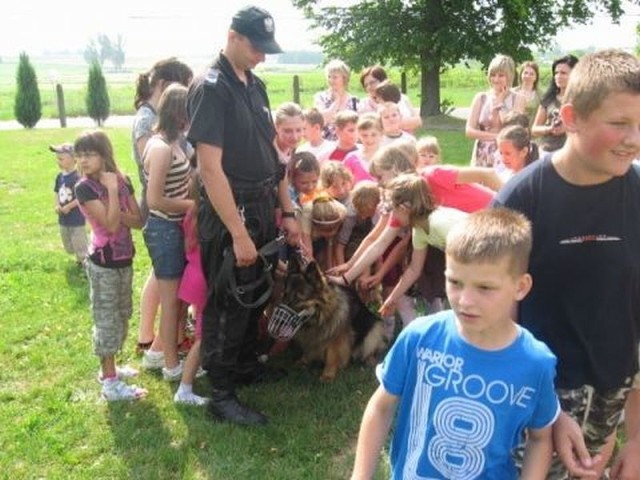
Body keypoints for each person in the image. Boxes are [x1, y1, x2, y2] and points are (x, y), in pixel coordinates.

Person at [493, 49, 640, 479]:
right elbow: (494, 320)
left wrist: (636, 437)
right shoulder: (520, 201)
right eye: (619, 124)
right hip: (534, 398)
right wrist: (549, 411)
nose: (633, 138)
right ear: (571, 117)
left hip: (612, 394)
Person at [351, 208, 560, 479]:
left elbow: (541, 438)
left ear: (520, 286)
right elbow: (381, 406)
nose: (464, 300)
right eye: (455, 282)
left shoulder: (536, 363)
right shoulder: (419, 337)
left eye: (484, 287)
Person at [186, 5, 299, 426]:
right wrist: (237, 232)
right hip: (229, 209)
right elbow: (210, 169)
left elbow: (272, 151)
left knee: (257, 293)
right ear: (233, 36)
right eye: (256, 47)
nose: (262, 57)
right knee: (228, 301)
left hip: (261, 203)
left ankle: (245, 367)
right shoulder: (211, 88)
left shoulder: (255, 85)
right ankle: (221, 393)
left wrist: (286, 210)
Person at [74, 130, 146, 401]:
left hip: (124, 260)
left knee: (123, 314)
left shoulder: (123, 180)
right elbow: (112, 224)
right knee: (106, 320)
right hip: (103, 263)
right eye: (79, 155)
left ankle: (111, 369)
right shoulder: (84, 188)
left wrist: (116, 195)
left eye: (89, 154)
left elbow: (138, 221)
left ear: (104, 155)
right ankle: (110, 382)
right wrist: (113, 192)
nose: (83, 160)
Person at [132, 57, 193, 354]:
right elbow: (155, 199)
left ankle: (161, 352)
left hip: (176, 224)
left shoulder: (175, 142)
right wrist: (194, 205)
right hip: (164, 228)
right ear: (179, 113)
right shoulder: (160, 148)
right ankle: (169, 364)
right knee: (169, 301)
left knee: (178, 298)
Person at [466, 54, 526, 168]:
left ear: (509, 76)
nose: (496, 79)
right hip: (482, 152)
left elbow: (513, 127)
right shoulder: (481, 97)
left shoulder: (518, 98)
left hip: (507, 153)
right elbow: (469, 130)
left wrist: (500, 103)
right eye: (493, 75)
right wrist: (496, 136)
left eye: (501, 75)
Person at [531, 55, 579, 154]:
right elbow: (534, 129)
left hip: (572, 153)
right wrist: (549, 129)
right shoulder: (548, 99)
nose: (558, 76)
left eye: (563, 73)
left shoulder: (581, 100)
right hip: (547, 151)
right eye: (556, 73)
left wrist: (567, 127)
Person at [50, 143, 88, 266]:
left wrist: (69, 206)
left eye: (61, 159)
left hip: (76, 218)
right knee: (68, 245)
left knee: (79, 242)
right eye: (57, 159)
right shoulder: (59, 177)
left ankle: (84, 262)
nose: (58, 161)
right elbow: (56, 192)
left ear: (74, 159)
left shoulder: (78, 177)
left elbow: (81, 197)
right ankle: (80, 257)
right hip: (63, 218)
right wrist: (57, 205)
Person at [358, 65, 422, 133]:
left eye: (372, 82)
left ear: (383, 81)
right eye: (366, 85)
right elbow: (367, 128)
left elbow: (418, 122)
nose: (369, 87)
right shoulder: (364, 104)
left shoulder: (402, 98)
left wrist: (387, 124)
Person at [314, 59, 359, 140]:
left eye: (335, 77)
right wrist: (336, 101)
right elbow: (322, 121)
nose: (331, 80)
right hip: (326, 145)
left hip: (349, 144)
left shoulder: (354, 101)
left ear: (344, 78)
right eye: (329, 76)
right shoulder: (320, 97)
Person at [343, 112, 382, 184]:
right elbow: (345, 183)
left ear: (381, 133)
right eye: (365, 135)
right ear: (359, 135)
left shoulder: (388, 157)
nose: (369, 139)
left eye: (373, 135)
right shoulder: (351, 158)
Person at [512, 61, 541, 125]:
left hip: (532, 132)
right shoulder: (512, 92)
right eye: (525, 73)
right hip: (513, 130)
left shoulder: (541, 95)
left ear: (536, 77)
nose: (528, 76)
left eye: (531, 74)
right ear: (521, 75)